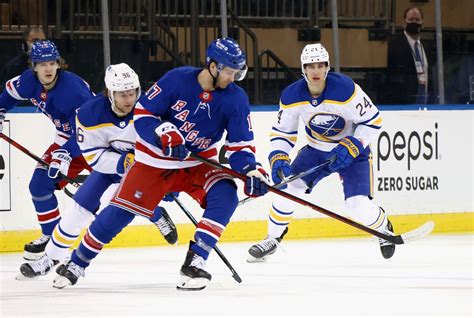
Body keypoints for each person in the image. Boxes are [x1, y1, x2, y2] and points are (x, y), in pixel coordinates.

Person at [52, 37, 270, 291]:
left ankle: (195, 261)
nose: (231, 79)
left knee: (226, 194)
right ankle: (77, 262)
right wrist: (162, 131)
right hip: (152, 161)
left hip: (196, 163)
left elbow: (240, 145)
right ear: (212, 66)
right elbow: (144, 113)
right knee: (120, 213)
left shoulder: (236, 98)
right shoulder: (176, 79)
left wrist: (249, 170)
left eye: (236, 73)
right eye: (229, 72)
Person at [17, 63, 178, 279]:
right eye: (122, 94)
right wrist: (121, 163)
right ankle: (50, 258)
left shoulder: (154, 109)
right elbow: (94, 158)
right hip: (112, 165)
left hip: (146, 170)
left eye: (132, 93)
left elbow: (171, 148)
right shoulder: (89, 113)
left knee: (114, 209)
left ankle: (153, 212)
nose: (129, 99)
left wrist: (168, 181)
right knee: (78, 209)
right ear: (110, 93)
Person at [247, 43, 396, 263]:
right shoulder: (291, 96)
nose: (315, 70)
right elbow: (282, 132)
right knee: (287, 188)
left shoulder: (346, 90)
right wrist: (279, 156)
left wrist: (354, 143)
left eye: (320, 65)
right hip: (316, 150)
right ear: (303, 69)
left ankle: (384, 228)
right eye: (310, 66)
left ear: (327, 67)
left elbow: (373, 121)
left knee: (357, 206)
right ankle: (273, 238)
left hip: (352, 153)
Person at [0, 40, 95, 261]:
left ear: (58, 64)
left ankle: (156, 214)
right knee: (39, 185)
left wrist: (65, 154)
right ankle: (52, 239)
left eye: (52, 63)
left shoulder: (73, 91)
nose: (48, 68)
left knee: (122, 188)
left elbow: (86, 132)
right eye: (42, 64)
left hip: (96, 142)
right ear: (33, 66)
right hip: (66, 139)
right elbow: (7, 96)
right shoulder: (27, 82)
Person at [385, 6, 431, 104]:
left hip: (425, 100)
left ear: (422, 22)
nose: (414, 22)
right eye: (410, 19)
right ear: (404, 22)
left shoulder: (426, 47)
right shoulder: (394, 45)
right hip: (403, 101)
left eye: (417, 20)